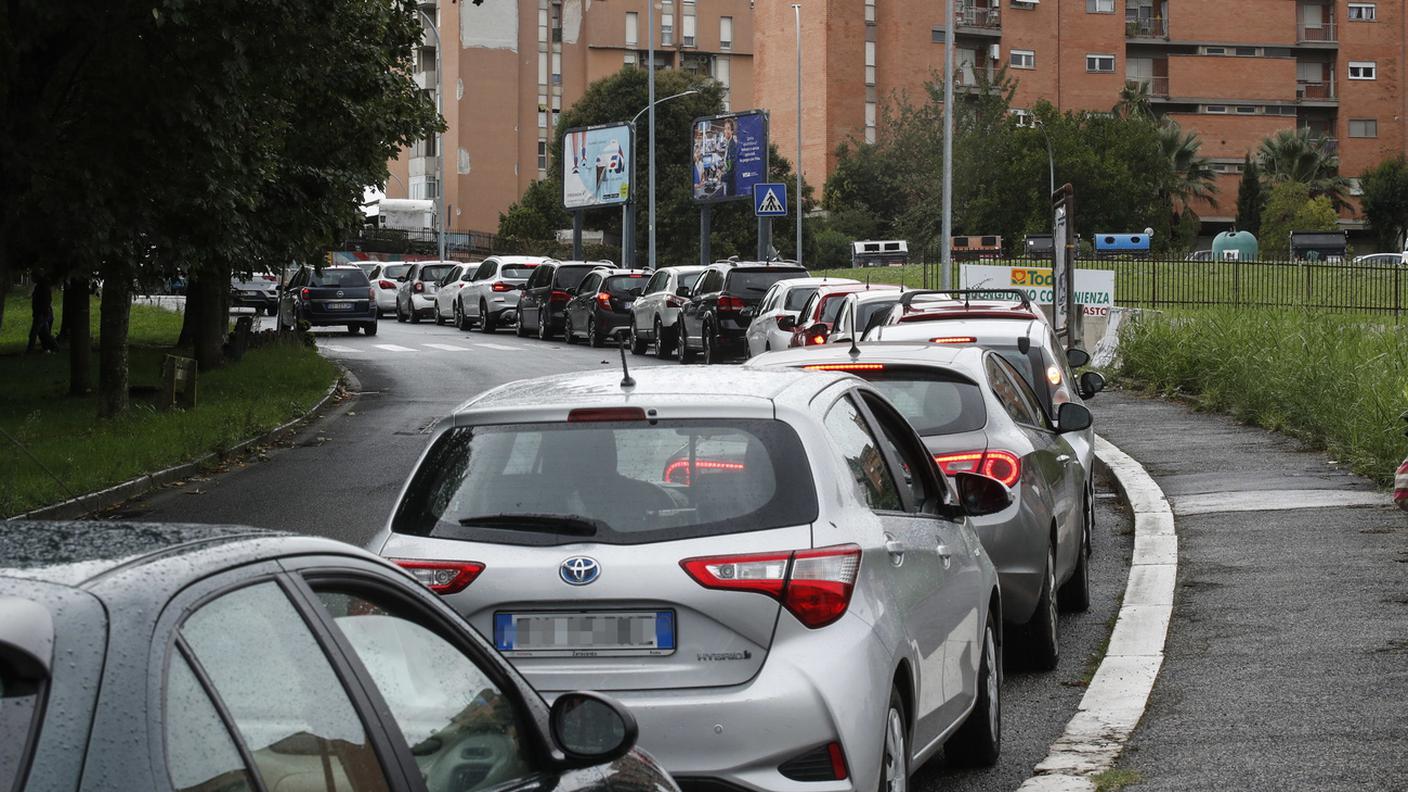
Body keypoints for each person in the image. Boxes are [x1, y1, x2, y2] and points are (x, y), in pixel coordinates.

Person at [27, 274, 58, 354]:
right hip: (41, 313)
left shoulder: (42, 287)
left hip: (41, 313)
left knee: (34, 333)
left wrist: (44, 312)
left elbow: (45, 301)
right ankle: (53, 347)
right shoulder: (41, 286)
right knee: (44, 333)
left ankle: (30, 350)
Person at [721, 118, 739, 197]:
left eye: (728, 129)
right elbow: (729, 165)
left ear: (732, 131)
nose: (726, 131)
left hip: (732, 184)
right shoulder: (728, 144)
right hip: (729, 182)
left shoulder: (733, 146)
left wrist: (721, 177)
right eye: (725, 129)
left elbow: (733, 169)